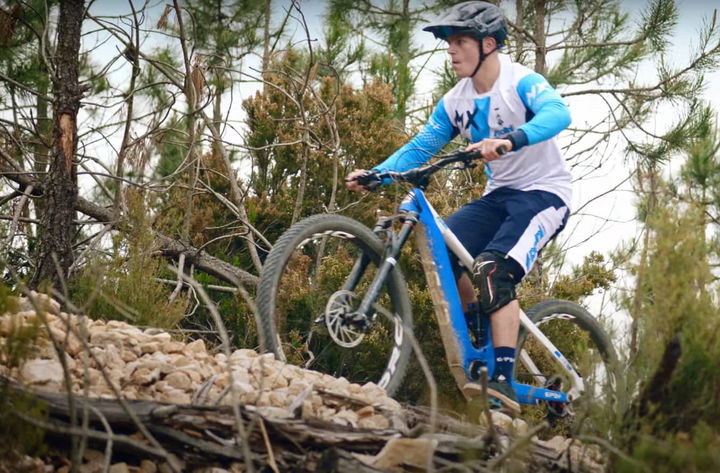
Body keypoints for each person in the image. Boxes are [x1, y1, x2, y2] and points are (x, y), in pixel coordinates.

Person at [345, 1, 572, 415]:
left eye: (460, 41)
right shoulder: (455, 100)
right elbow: (422, 146)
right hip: (498, 196)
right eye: (449, 43)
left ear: (488, 44)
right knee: (443, 254)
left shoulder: (520, 81)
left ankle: (502, 376)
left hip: (543, 195)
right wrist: (378, 173)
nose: (451, 50)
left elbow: (558, 113)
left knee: (492, 269)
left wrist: (510, 140)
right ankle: (482, 332)